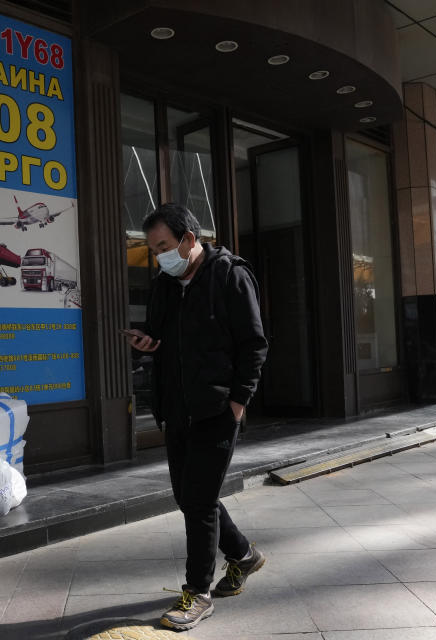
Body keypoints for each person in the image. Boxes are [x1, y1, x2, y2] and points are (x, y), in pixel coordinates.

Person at [129, 203, 269, 631]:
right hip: (177, 407)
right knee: (189, 496)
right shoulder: (165, 284)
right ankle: (244, 555)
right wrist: (146, 342)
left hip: (217, 408)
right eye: (153, 250)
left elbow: (254, 344)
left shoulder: (230, 276)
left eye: (165, 247)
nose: (160, 257)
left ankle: (198, 593)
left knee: (200, 502)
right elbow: (160, 334)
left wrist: (239, 401)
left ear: (189, 240)